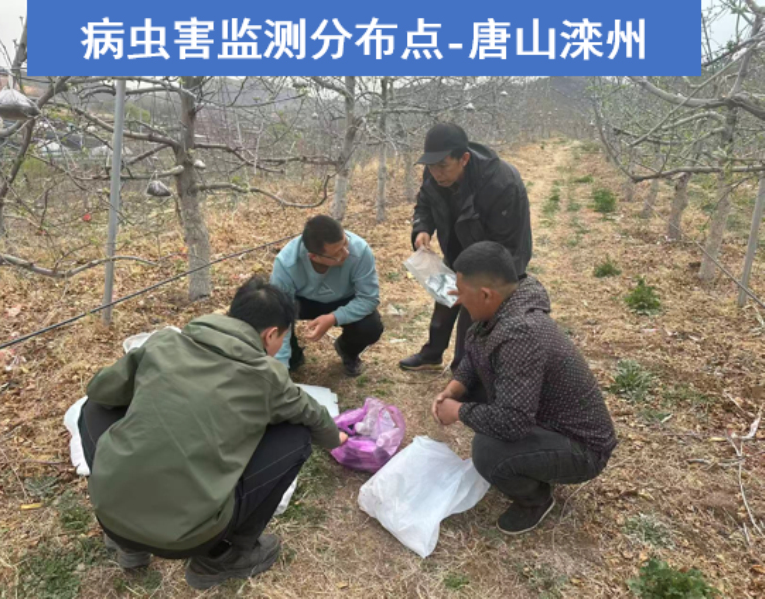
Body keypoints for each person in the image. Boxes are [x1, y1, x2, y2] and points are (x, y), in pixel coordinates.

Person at [79, 277, 346, 590]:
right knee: (296, 437)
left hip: (111, 515)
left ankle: (127, 542)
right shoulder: (267, 375)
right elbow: (313, 416)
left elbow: (100, 389)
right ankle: (222, 557)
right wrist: (336, 439)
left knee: (94, 407)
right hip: (189, 537)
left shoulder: (163, 343)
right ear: (271, 334)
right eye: (283, 339)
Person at [432, 242, 616, 535]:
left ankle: (535, 500)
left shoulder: (520, 334)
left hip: (583, 449)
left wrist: (458, 411)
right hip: (549, 421)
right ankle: (534, 461)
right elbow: (479, 353)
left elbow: (512, 422)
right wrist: (454, 389)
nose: (457, 299)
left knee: (488, 451)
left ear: (486, 294)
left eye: (462, 292)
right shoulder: (508, 304)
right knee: (480, 403)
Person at [400, 123, 533, 372]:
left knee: (472, 314)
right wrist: (422, 229)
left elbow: (504, 243)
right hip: (458, 247)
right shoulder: (434, 171)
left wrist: (473, 282)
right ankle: (432, 354)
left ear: (464, 159)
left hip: (500, 253)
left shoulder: (501, 183)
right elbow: (424, 204)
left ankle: (463, 370)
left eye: (442, 166)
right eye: (431, 166)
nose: (436, 173)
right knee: (445, 299)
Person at [270, 214, 383, 377]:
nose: (346, 253)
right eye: (337, 253)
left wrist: (333, 318)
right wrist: (280, 369)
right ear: (314, 256)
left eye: (345, 243)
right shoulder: (286, 264)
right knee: (266, 313)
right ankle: (293, 357)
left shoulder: (360, 250)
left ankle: (347, 350)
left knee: (371, 327)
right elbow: (279, 315)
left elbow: (369, 298)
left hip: (344, 299)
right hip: (302, 302)